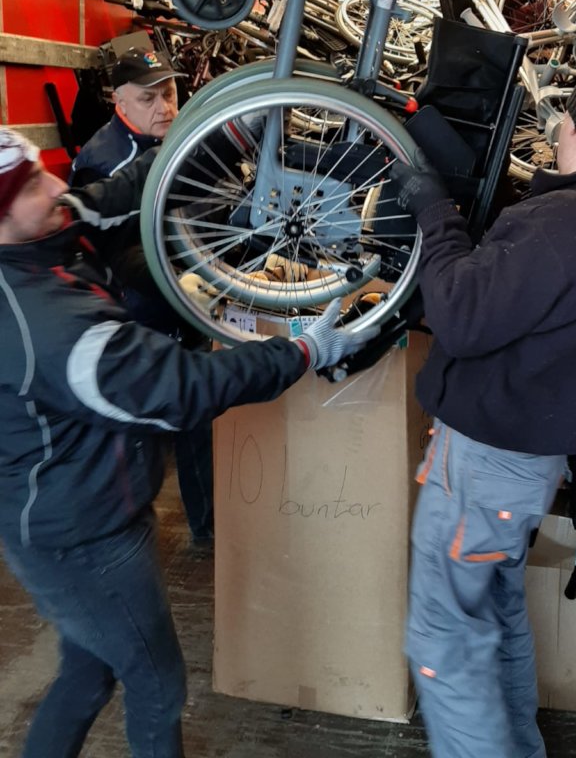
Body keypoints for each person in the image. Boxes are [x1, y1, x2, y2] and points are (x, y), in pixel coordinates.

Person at [0, 126, 375, 758]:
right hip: (84, 539)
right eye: (35, 184)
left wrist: (231, 124)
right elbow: (182, 390)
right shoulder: (48, 328)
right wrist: (302, 350)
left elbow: (130, 186)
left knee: (87, 673)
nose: (59, 187)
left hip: (78, 511)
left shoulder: (41, 242)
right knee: (157, 686)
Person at [389, 52, 576, 758]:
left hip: (484, 466)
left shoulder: (566, 222)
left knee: (445, 643)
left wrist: (434, 209)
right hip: (525, 467)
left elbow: (457, 314)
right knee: (497, 621)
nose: (557, 121)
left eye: (568, 108)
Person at [70, 46, 215, 543]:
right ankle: (118, 538)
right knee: (142, 437)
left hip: (189, 300)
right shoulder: (102, 161)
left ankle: (210, 532)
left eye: (170, 93)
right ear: (120, 102)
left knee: (199, 419)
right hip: (138, 315)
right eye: (148, 98)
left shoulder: (179, 138)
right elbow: (115, 255)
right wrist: (178, 283)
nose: (165, 107)